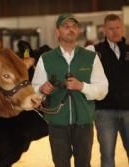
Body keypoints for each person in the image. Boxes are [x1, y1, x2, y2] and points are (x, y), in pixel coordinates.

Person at [32, 13, 108, 167]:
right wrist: (41, 89)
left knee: (84, 164)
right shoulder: (46, 59)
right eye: (66, 27)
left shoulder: (91, 57)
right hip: (57, 124)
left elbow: (103, 89)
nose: (71, 30)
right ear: (57, 32)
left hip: (84, 124)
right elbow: (34, 92)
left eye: (74, 26)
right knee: (60, 164)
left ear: (78, 31)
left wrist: (82, 86)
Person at [94, 14, 129, 167]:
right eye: (111, 28)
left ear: (123, 28)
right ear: (104, 30)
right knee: (107, 155)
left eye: (118, 28)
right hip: (104, 112)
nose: (115, 32)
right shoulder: (96, 52)